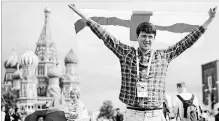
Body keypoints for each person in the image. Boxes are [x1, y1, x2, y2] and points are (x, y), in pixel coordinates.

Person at [68, 4, 217, 121]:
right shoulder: (126, 53)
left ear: (153, 39)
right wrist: (82, 15)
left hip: (156, 115)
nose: (147, 39)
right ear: (137, 37)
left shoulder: (163, 56)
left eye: (150, 37)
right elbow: (105, 36)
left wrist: (209, 20)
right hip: (133, 114)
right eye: (144, 36)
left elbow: (187, 41)